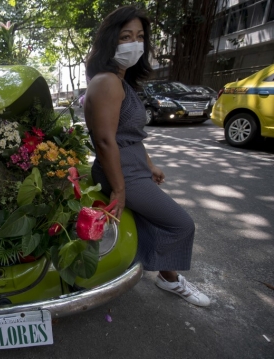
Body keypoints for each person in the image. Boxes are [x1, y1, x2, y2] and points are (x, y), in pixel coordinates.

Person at [83, 6, 210, 307]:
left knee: (148, 221)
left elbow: (129, 132)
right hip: (122, 172)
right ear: (111, 40)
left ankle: (167, 276)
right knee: (181, 224)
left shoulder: (121, 80)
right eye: (126, 36)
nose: (135, 43)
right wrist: (120, 189)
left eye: (140, 36)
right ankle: (161, 276)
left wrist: (149, 164)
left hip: (133, 167)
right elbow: (104, 140)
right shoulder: (108, 81)